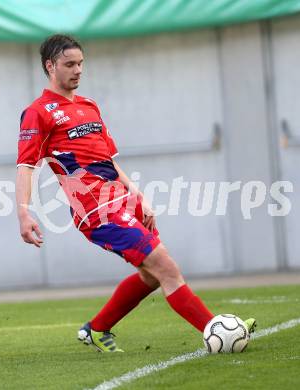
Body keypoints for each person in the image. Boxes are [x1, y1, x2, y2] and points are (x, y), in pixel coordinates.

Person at [16, 34, 256, 352]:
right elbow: (26, 165)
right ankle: (219, 331)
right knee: (166, 267)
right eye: (69, 64)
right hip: (96, 211)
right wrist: (23, 211)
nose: (78, 70)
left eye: (81, 63)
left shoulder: (89, 106)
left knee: (153, 274)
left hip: (121, 200)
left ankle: (97, 329)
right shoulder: (39, 112)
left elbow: (110, 162)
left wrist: (138, 196)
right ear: (50, 66)